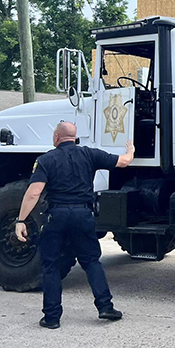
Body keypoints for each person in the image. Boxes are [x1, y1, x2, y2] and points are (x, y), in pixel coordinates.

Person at [15, 122, 134, 329]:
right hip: (83, 214)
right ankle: (105, 307)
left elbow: (34, 193)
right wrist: (130, 150)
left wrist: (20, 220)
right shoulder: (90, 154)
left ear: (56, 138)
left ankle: (52, 318)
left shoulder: (45, 160)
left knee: (50, 265)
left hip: (57, 215)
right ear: (74, 137)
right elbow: (123, 162)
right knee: (91, 262)